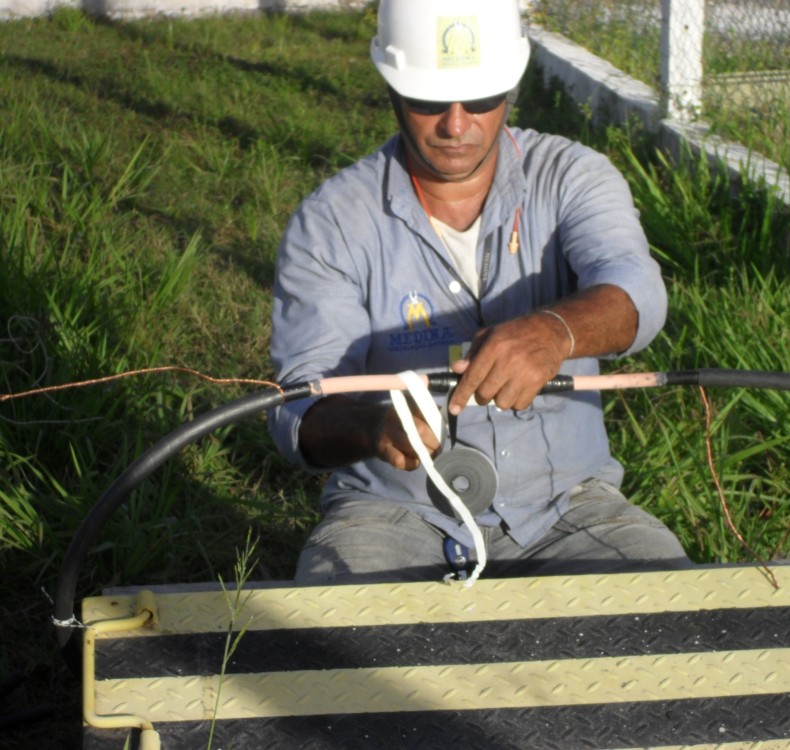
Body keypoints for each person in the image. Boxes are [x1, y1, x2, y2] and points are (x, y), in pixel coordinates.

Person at [268, 0, 690, 585]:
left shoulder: (572, 176)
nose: (457, 124)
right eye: (429, 101)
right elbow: (299, 409)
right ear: (390, 88)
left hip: (567, 508)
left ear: (513, 89)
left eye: (483, 99)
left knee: (671, 606)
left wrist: (556, 332)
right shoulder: (332, 222)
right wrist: (374, 426)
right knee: (345, 638)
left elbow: (636, 291)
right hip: (389, 514)